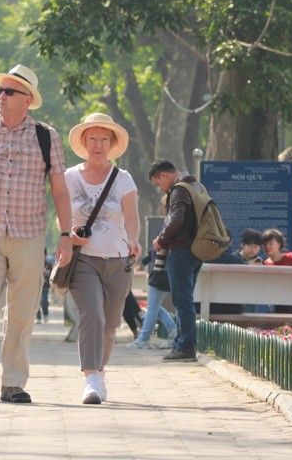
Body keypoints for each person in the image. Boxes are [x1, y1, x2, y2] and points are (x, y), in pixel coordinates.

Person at [0, 64, 72, 404]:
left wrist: (66, 235)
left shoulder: (46, 136)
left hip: (30, 234)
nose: (0, 97)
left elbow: (60, 192)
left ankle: (13, 383)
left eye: (9, 92)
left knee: (21, 314)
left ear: (27, 100)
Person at [64, 113, 142, 404]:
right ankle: (90, 379)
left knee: (109, 327)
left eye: (104, 139)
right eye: (93, 138)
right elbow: (61, 217)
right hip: (83, 259)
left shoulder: (123, 179)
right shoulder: (69, 177)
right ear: (84, 142)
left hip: (118, 261)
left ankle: (100, 375)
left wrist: (133, 239)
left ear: (112, 144)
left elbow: (132, 218)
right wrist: (69, 234)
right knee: (92, 316)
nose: (98, 144)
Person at [150, 159, 203, 362]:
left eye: (157, 183)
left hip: (181, 251)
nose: (159, 188)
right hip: (196, 250)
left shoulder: (179, 189)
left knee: (182, 301)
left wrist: (160, 240)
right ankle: (182, 344)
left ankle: (185, 346)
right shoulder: (195, 185)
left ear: (164, 175)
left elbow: (176, 220)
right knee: (184, 299)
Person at [126, 247, 178, 351]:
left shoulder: (168, 236)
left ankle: (143, 339)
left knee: (152, 308)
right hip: (166, 273)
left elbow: (158, 245)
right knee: (155, 307)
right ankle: (173, 332)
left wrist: (155, 244)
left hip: (162, 273)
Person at [261, 228, 292, 314]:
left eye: (271, 244)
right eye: (265, 244)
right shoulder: (263, 264)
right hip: (276, 303)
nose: (268, 247)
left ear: (279, 244)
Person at [36, 251, 52, 324]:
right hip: (36, 286)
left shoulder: (48, 265)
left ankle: (45, 314)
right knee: (36, 302)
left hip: (45, 286)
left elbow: (52, 276)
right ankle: (38, 317)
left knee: (43, 301)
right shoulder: (35, 264)